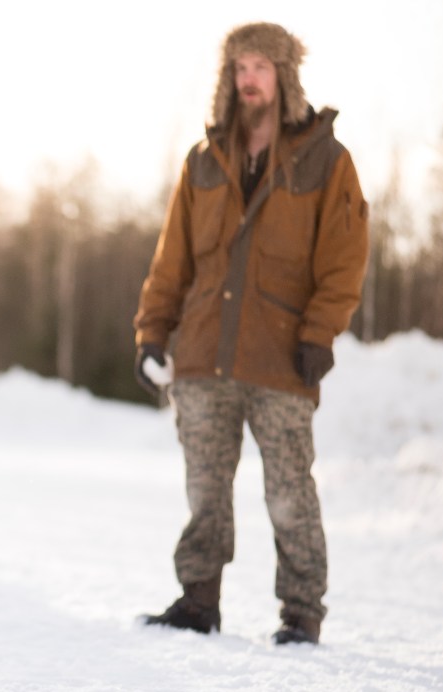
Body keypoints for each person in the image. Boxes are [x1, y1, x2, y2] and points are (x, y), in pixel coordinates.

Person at [133, 22, 369, 645]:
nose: (249, 78)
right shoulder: (203, 161)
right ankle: (198, 600)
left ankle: (301, 614)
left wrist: (320, 334)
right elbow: (171, 260)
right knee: (205, 490)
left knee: (290, 492)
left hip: (282, 358)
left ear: (285, 74)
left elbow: (345, 259)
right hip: (204, 354)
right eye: (239, 67)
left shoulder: (327, 160)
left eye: (261, 66)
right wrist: (153, 332)